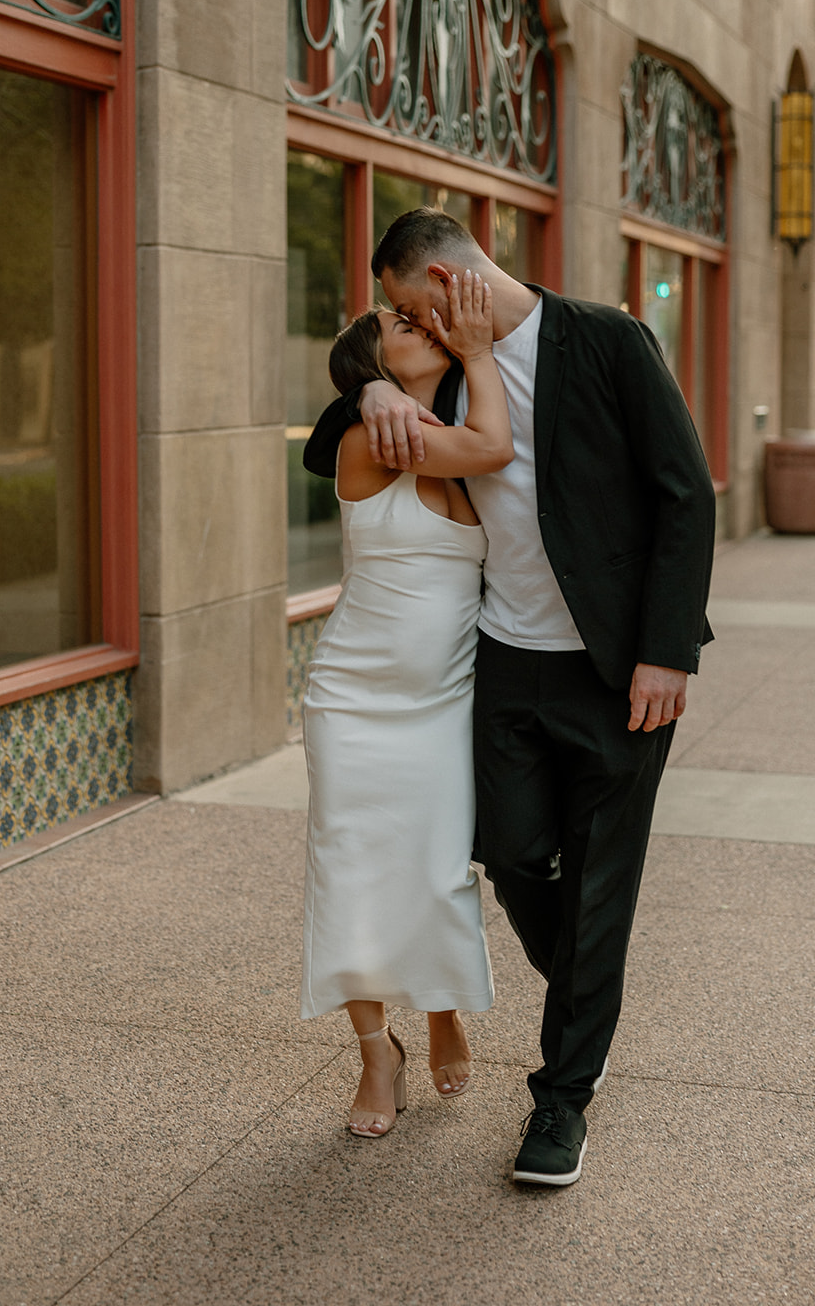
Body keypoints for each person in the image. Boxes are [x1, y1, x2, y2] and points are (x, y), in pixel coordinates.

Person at [304, 208, 716, 1184]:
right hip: (501, 660)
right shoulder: (441, 366)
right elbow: (329, 443)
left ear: (445, 285)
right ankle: (584, 996)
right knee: (512, 854)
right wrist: (367, 388)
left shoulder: (606, 339)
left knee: (602, 880)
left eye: (406, 306)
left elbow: (683, 492)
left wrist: (665, 650)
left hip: (617, 669)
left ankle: (560, 1100)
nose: (403, 323)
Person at [301, 269, 514, 1138]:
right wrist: (468, 351)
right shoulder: (372, 433)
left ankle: (438, 1012)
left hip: (443, 702)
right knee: (347, 870)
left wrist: (445, 364)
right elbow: (492, 451)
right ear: (369, 363)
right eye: (394, 323)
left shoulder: (426, 417)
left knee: (434, 874)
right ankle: (373, 1052)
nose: (412, 323)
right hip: (352, 698)